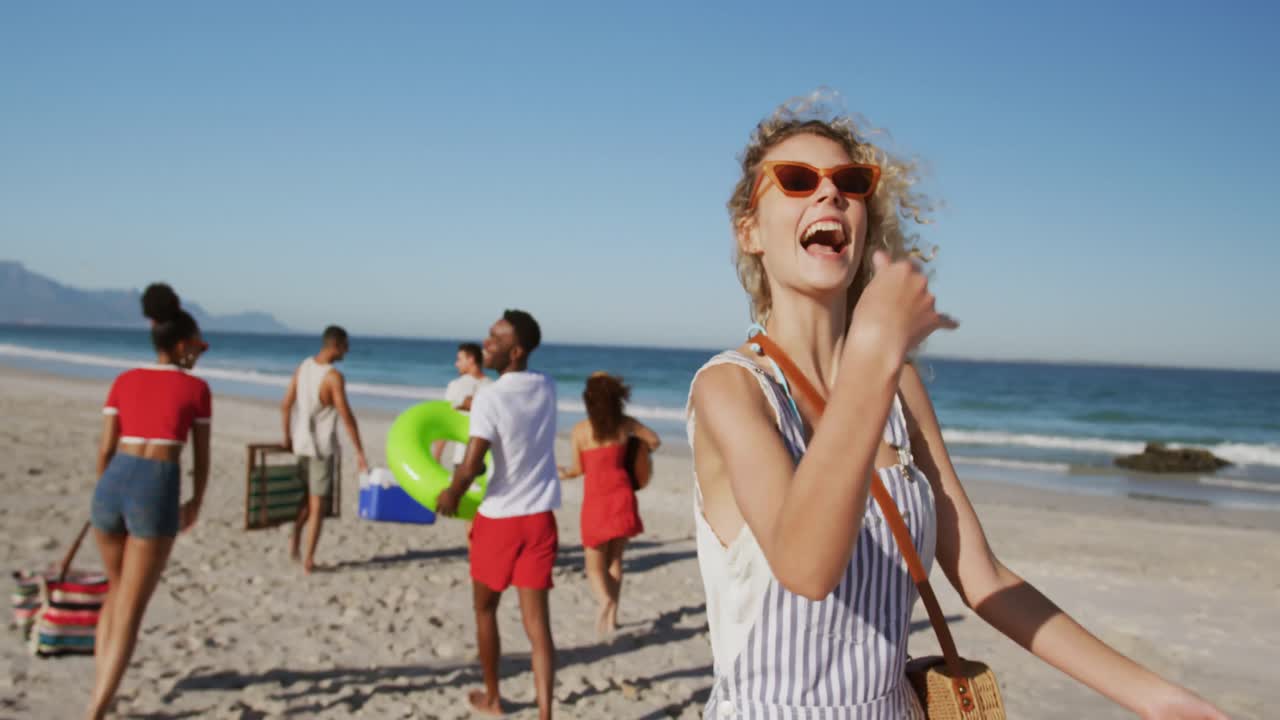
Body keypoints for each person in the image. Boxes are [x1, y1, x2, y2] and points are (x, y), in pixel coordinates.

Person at [686, 94, 1228, 718]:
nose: (829, 195)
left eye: (851, 183)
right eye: (798, 180)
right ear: (749, 230)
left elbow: (985, 580)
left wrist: (1162, 699)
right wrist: (872, 350)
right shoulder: (732, 388)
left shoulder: (899, 387)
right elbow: (806, 568)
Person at [87, 283, 211, 720]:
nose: (201, 351)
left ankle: (101, 692)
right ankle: (97, 710)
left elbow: (104, 450)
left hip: (112, 482)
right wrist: (196, 500)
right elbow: (200, 457)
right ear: (181, 345)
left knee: (115, 592)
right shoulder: (196, 390)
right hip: (155, 485)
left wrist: (105, 492)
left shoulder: (124, 380)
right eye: (198, 344)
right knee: (131, 611)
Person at [437, 310, 560, 720]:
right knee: (537, 625)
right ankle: (545, 713)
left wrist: (452, 492)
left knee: (485, 610)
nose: (486, 343)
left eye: (495, 338)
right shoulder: (547, 385)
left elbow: (473, 463)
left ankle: (493, 699)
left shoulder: (491, 396)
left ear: (517, 350)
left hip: (500, 520)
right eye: (489, 336)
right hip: (540, 517)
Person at [558, 372, 661, 637]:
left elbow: (578, 468)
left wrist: (564, 473)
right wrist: (635, 454)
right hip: (623, 495)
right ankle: (612, 619)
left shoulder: (580, 430)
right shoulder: (626, 425)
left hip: (596, 501)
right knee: (615, 560)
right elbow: (654, 440)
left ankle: (604, 601)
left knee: (593, 565)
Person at [281, 325, 368, 574]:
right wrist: (360, 452)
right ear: (336, 345)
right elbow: (346, 415)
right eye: (346, 345)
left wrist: (287, 437)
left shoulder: (303, 367)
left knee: (307, 498)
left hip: (300, 443)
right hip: (320, 448)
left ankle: (296, 536)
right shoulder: (333, 377)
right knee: (318, 505)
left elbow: (286, 405)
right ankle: (309, 559)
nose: (348, 351)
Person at [432, 342, 491, 465]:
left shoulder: (456, 386)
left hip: (464, 459)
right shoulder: (494, 386)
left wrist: (436, 456)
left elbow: (447, 420)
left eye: (459, 359)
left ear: (471, 359)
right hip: (488, 460)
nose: (456, 364)